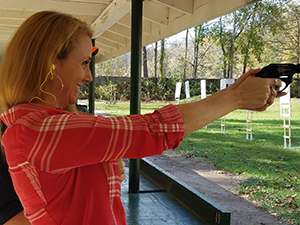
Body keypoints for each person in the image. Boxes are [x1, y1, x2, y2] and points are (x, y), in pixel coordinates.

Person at [0, 10, 284, 225]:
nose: (88, 76)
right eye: (84, 62)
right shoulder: (34, 130)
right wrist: (234, 98)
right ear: (51, 62)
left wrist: (237, 91)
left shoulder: (39, 126)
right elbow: (152, 129)